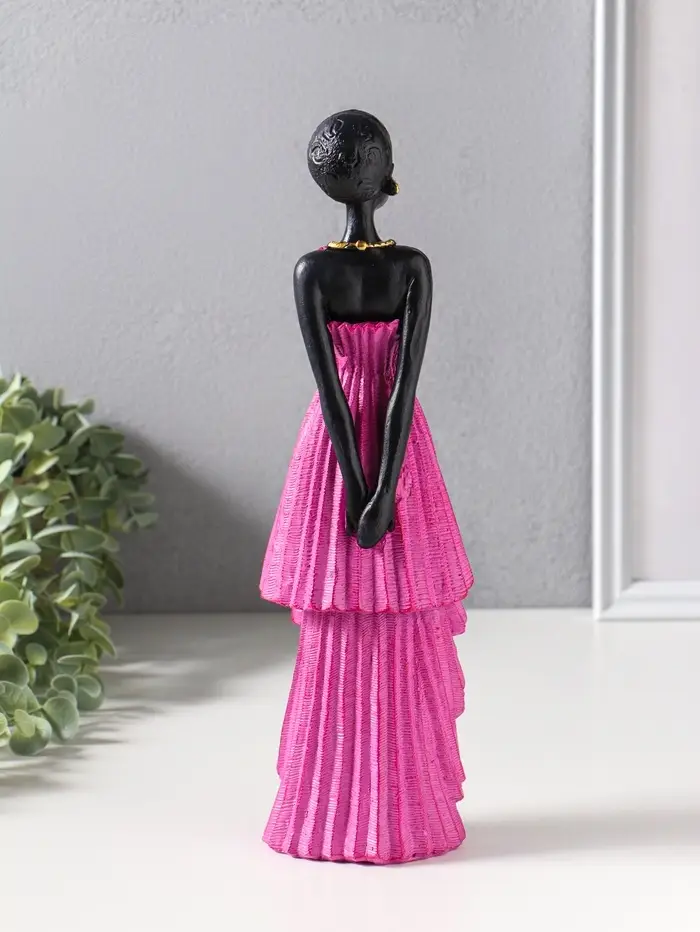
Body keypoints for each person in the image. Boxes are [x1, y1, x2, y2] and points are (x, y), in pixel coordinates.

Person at [261, 110, 474, 863]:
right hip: (394, 453)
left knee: (343, 619)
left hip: (335, 455)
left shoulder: (311, 272)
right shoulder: (410, 266)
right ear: (385, 174)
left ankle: (338, 809)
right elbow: (402, 387)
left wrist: (357, 485)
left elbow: (331, 392)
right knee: (387, 612)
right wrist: (383, 489)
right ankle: (399, 809)